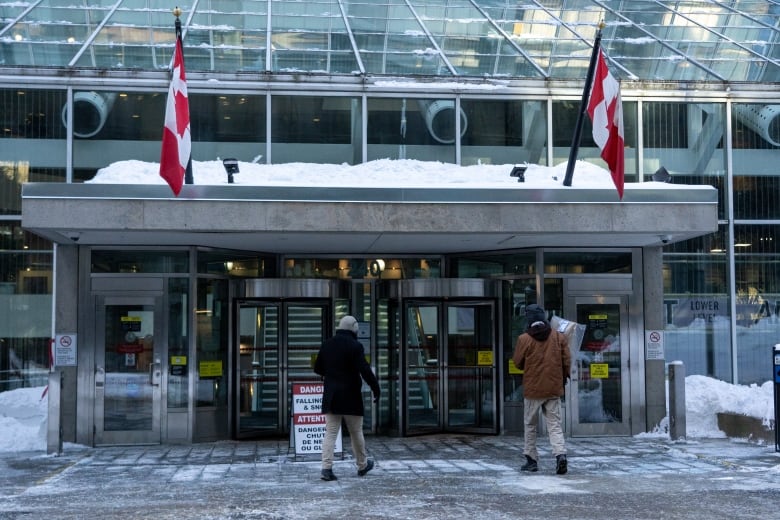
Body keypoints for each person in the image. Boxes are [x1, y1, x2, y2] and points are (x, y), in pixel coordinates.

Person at [314, 315, 381, 481]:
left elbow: (318, 368)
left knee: (330, 433)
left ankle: (326, 468)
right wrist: (375, 388)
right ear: (353, 328)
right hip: (351, 395)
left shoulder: (327, 344)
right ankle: (362, 465)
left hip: (332, 396)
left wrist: (330, 374)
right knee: (356, 432)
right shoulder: (355, 346)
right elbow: (364, 370)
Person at [512, 304, 571, 475]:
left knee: (530, 425)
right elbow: (566, 361)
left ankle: (531, 460)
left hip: (533, 390)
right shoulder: (558, 337)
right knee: (554, 425)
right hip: (553, 388)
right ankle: (560, 455)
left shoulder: (524, 339)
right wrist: (564, 377)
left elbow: (517, 362)